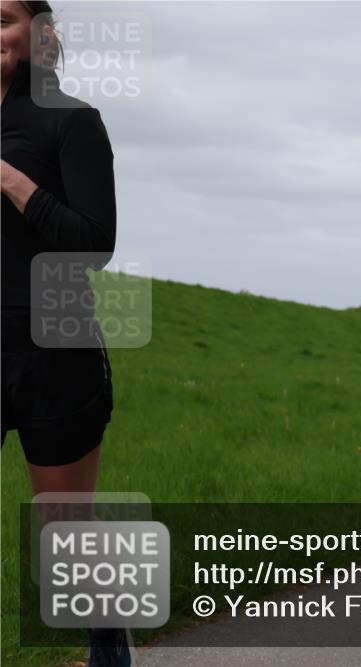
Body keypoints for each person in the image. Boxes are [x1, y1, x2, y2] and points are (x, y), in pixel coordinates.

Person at [1, 2, 127, 664]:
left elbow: (94, 244)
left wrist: (11, 180)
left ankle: (106, 642)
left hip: (54, 349)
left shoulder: (71, 121)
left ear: (38, 34)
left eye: (2, 18)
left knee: (65, 531)